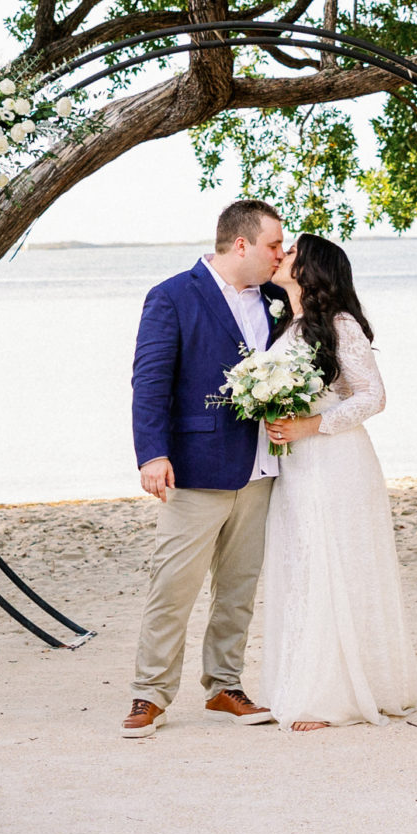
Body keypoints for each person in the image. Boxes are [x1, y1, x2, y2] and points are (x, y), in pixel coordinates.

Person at [124, 199, 290, 738]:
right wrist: (152, 453)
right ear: (240, 244)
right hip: (194, 466)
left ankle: (224, 684)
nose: (280, 254)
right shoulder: (173, 296)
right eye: (272, 245)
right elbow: (149, 382)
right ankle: (150, 694)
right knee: (173, 585)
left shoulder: (275, 298)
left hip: (262, 467)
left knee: (238, 588)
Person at [251, 235, 417, 730]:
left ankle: (333, 698)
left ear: (310, 269)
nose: (280, 256)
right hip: (298, 464)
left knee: (333, 565)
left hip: (336, 458)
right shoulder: (290, 325)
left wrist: (311, 424)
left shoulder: (340, 325)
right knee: (304, 563)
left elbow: (372, 396)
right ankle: (304, 684)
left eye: (289, 253)